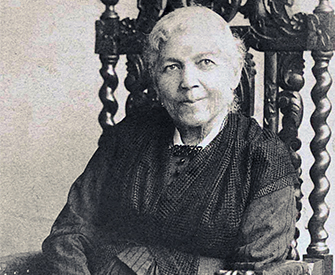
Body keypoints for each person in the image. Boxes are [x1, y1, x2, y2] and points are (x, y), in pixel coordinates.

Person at [42, 6, 307, 275]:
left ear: (234, 73)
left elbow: (254, 268)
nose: (187, 81)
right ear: (156, 81)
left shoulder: (263, 156)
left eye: (205, 62)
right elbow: (69, 234)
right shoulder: (128, 136)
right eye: (171, 67)